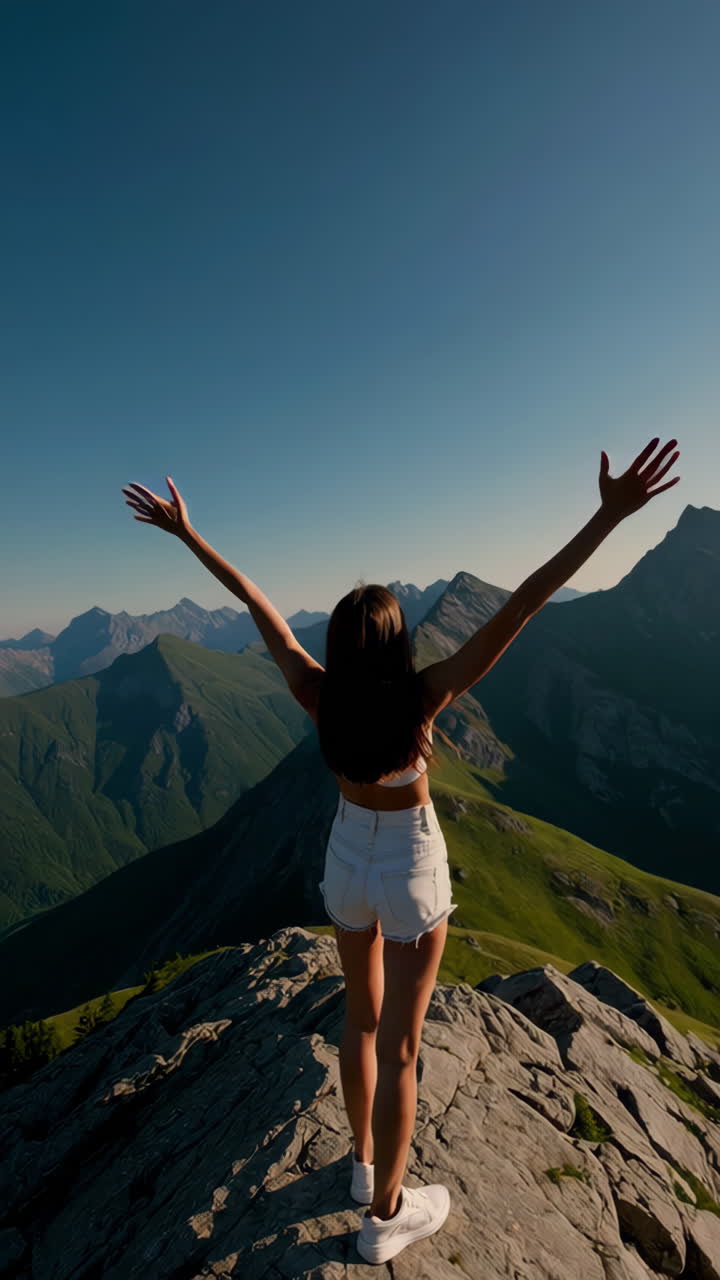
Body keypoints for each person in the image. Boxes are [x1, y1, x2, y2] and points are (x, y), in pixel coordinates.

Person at [122, 436, 680, 1265]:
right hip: (413, 865)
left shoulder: (315, 693)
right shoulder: (427, 695)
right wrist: (605, 519)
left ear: (343, 648)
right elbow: (525, 603)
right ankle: (386, 1213)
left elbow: (253, 601)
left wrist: (188, 536)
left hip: (347, 857)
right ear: (396, 645)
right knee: (404, 1048)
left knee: (359, 1019)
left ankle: (359, 1167)